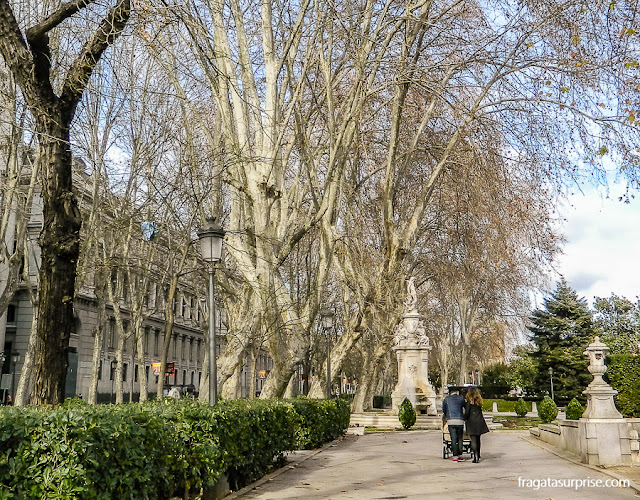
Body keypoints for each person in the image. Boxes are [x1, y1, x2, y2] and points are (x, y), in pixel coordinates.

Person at [464, 387, 489, 463]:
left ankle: (475, 456)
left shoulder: (469, 403)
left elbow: (467, 413)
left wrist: (464, 417)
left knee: (473, 440)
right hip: (479, 421)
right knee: (478, 439)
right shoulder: (478, 402)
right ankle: (478, 454)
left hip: (472, 422)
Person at [442, 386, 466, 462]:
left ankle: (455, 456)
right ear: (457, 392)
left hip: (451, 420)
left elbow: (444, 410)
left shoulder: (446, 399)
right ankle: (460, 454)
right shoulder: (461, 399)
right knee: (460, 438)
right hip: (460, 420)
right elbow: (465, 408)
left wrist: (447, 417)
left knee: (453, 438)